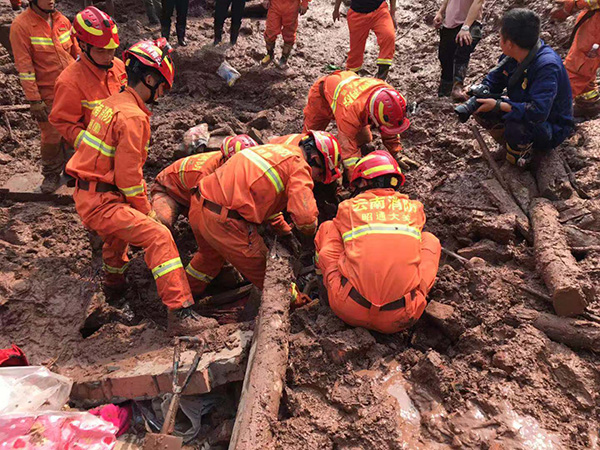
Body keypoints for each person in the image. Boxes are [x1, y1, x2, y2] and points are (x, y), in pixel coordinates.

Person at [66, 39, 215, 335]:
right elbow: (129, 178)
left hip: (90, 191)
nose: (161, 94)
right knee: (159, 236)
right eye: (162, 87)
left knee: (117, 240)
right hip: (102, 200)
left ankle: (114, 289)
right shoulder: (133, 118)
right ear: (149, 78)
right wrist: (148, 212)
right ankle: (180, 313)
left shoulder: (111, 103)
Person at [185, 138, 341, 296]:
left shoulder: (274, 151)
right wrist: (313, 235)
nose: (316, 179)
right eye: (320, 174)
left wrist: (283, 230)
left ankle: (184, 298)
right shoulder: (298, 166)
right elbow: (306, 220)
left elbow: (262, 200)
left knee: (208, 258)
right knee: (269, 276)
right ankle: (296, 302)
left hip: (199, 204)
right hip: (224, 222)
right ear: (314, 159)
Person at [315, 150, 441, 334]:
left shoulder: (348, 208)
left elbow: (333, 250)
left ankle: (323, 289)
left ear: (363, 181)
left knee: (329, 228)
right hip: (404, 315)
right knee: (430, 241)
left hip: (348, 308)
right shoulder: (415, 208)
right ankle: (419, 295)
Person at [472, 9, 574, 168]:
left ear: (510, 43)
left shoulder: (547, 66)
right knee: (480, 106)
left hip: (550, 124)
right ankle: (511, 145)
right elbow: (495, 78)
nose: (499, 41)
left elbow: (538, 112)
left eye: (500, 37)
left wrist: (499, 105)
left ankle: (523, 156)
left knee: (516, 125)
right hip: (523, 107)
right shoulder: (511, 56)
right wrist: (480, 90)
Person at [10, 0, 80, 193]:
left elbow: (77, 55)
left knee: (73, 131)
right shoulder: (21, 26)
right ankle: (51, 174)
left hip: (71, 91)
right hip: (47, 93)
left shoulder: (63, 21)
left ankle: (72, 171)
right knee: (51, 135)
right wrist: (34, 100)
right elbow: (25, 68)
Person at [303, 70, 409, 176]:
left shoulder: (388, 96)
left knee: (365, 139)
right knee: (308, 143)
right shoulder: (350, 114)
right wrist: (357, 179)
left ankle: (338, 141)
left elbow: (390, 125)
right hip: (321, 98)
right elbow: (349, 154)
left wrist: (396, 153)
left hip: (347, 88)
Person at [50, 7, 126, 155]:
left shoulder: (119, 67)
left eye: (112, 50)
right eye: (101, 51)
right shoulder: (69, 82)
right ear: (83, 45)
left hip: (121, 146)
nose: (108, 56)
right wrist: (91, 146)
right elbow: (63, 122)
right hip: (91, 156)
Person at [150, 134, 258, 229]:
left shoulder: (229, 164)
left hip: (189, 190)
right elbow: (200, 213)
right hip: (169, 190)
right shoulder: (206, 176)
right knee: (159, 227)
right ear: (227, 159)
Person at [551, 0, 600, 118]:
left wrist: (573, 4)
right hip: (593, 18)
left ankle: (554, 107)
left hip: (596, 25)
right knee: (587, 64)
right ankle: (588, 102)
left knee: (578, 67)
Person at [433, 0, 484, 101]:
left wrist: (466, 27)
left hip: (470, 22)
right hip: (450, 23)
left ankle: (458, 86)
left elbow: (478, 2)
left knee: (463, 45)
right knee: (445, 56)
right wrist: (440, 12)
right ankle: (444, 92)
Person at [332, 0, 396, 80]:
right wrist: (336, 9)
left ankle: (381, 77)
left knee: (388, 36)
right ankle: (351, 79)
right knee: (356, 51)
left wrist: (392, 13)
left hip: (379, 11)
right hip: (357, 14)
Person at [261, 0, 310, 68]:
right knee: (271, 30)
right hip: (275, 5)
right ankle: (269, 54)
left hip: (292, 7)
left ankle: (284, 58)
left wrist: (305, 3)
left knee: (289, 33)